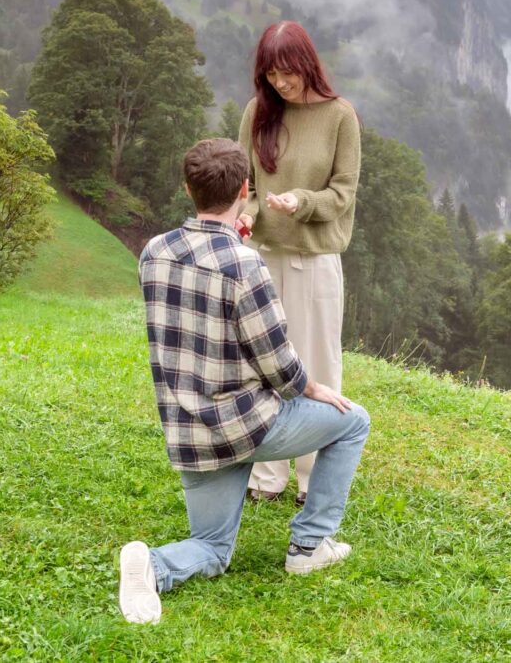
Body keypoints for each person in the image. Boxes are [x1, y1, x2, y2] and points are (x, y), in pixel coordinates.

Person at [118, 138, 370, 625]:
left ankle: (153, 563)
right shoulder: (244, 264)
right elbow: (276, 362)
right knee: (353, 421)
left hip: (191, 433)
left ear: (188, 188)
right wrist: (314, 388)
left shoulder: (154, 252)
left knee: (212, 549)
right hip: (251, 424)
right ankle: (309, 545)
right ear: (245, 190)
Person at [236, 21, 361, 506]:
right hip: (262, 256)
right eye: (270, 75)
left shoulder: (339, 116)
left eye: (287, 73)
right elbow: (245, 186)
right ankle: (268, 475)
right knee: (264, 364)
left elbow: (343, 194)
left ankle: (312, 478)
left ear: (307, 64)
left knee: (317, 365)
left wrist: (302, 202)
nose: (280, 84)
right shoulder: (258, 112)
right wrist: (245, 218)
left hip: (314, 259)